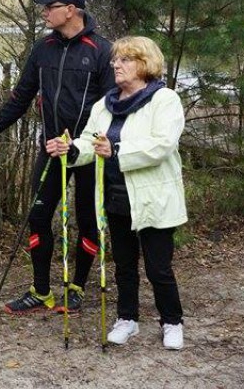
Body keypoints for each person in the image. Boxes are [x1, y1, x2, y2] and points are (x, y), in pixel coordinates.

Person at [0, 0, 114, 314]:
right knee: (37, 216)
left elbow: (112, 107)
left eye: (51, 6)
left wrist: (97, 144)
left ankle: (76, 287)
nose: (45, 11)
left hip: (89, 153)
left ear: (71, 10)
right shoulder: (42, 49)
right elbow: (20, 97)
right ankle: (42, 290)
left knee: (89, 221)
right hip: (51, 149)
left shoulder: (102, 51)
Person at [60, 36, 187, 349]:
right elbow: (91, 141)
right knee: (123, 265)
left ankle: (172, 322)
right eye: (116, 60)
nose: (116, 65)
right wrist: (70, 149)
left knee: (158, 268)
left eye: (125, 60)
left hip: (154, 199)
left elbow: (162, 144)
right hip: (115, 197)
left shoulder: (164, 100)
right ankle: (127, 319)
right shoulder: (105, 104)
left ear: (144, 65)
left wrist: (116, 150)